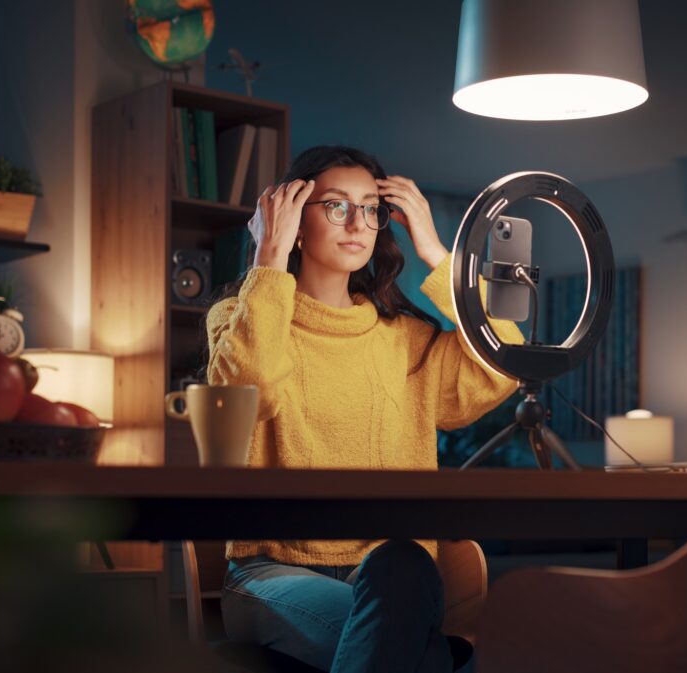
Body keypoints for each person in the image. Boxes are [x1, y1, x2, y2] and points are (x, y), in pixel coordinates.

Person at [204, 145, 522, 672]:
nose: (357, 222)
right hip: (272, 575)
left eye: (371, 208)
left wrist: (438, 253)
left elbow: (505, 361)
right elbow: (247, 389)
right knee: (416, 650)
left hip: (396, 574)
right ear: (294, 221)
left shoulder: (406, 339)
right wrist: (269, 258)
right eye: (335, 205)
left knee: (400, 562)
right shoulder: (237, 319)